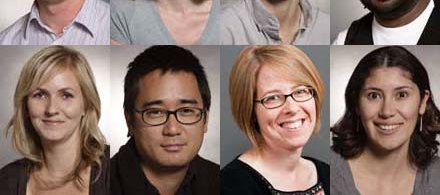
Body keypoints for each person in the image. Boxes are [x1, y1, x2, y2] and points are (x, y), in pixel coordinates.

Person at [0, 46, 109, 195]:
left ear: (86, 104)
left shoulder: (116, 169)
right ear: (25, 106)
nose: (51, 109)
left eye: (66, 95)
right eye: (40, 95)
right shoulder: (6, 181)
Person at [331, 46, 440, 195]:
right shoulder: (326, 170)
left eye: (402, 95)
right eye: (374, 96)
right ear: (356, 103)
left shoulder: (436, 177)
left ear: (422, 102)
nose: (387, 112)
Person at [111, 45, 219, 195]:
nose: (172, 130)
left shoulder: (223, 180)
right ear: (129, 121)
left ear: (205, 119)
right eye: (155, 112)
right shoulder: (97, 184)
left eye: (186, 111)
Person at [221, 45, 329, 195]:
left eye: (300, 91)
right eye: (272, 98)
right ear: (250, 111)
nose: (292, 108)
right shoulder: (230, 185)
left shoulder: (328, 174)